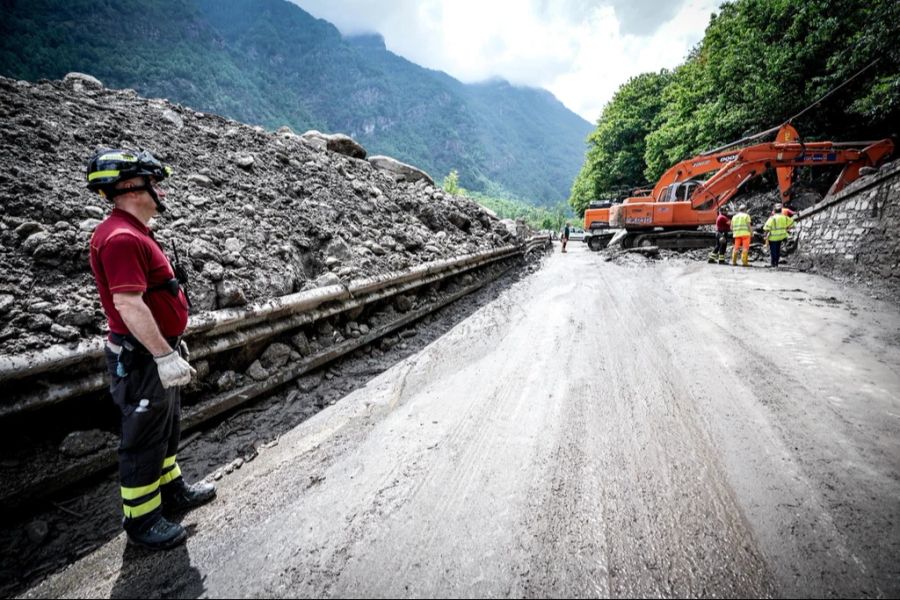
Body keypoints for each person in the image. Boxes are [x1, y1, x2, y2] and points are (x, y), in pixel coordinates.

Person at [86, 148, 216, 551]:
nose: (158, 190)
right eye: (152, 183)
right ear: (130, 187)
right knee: (143, 437)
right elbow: (128, 303)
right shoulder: (121, 238)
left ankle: (171, 491)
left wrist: (171, 344)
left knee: (165, 429)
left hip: (154, 352)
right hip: (142, 358)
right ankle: (143, 520)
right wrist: (162, 354)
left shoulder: (135, 232)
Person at [764, 202, 795, 268]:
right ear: (781, 211)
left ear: (774, 211)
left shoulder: (772, 218)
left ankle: (773, 264)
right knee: (777, 250)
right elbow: (793, 223)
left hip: (773, 237)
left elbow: (766, 228)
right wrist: (786, 228)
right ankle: (776, 264)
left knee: (773, 250)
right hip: (781, 236)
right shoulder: (785, 217)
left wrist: (765, 235)